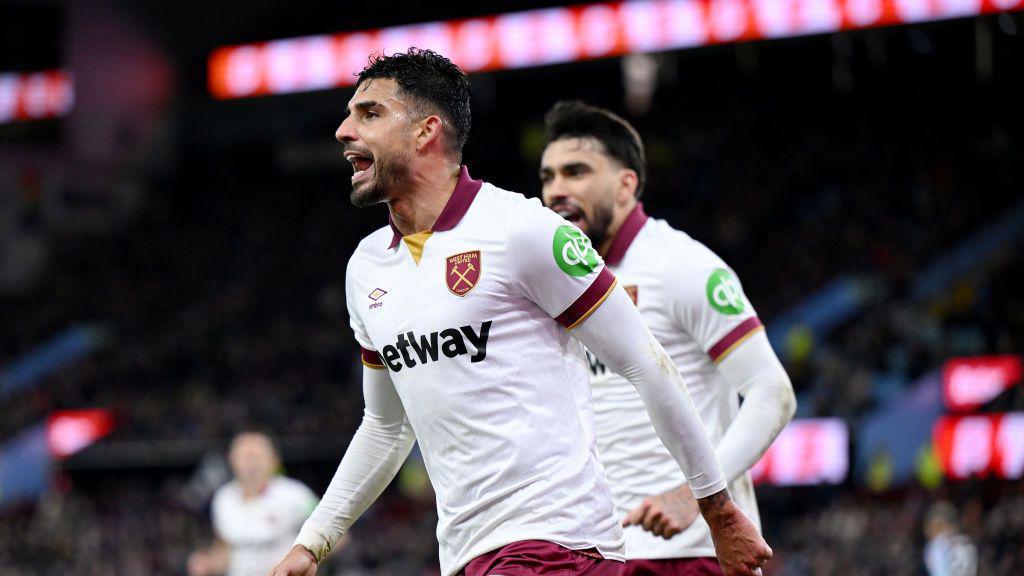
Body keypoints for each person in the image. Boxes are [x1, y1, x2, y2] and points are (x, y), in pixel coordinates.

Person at [270, 48, 770, 576]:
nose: (344, 130)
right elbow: (386, 425)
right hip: (467, 553)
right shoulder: (367, 268)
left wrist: (716, 508)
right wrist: (312, 542)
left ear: (425, 132)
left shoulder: (524, 230)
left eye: (369, 113)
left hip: (557, 543)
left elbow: (646, 364)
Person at [539, 100, 796, 576]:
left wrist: (696, 496)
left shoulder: (681, 265)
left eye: (576, 172)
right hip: (598, 550)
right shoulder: (555, 283)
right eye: (549, 176)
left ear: (625, 185)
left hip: (692, 552)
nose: (557, 190)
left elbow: (772, 392)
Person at [189, 431, 318, 576]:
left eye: (256, 456)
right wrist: (209, 564)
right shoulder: (223, 498)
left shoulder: (297, 495)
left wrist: (308, 559)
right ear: (232, 460)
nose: (250, 463)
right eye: (244, 456)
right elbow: (226, 551)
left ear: (274, 460)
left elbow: (334, 536)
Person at [923, 502, 978, 576]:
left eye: (932, 525)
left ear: (940, 524)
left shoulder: (962, 545)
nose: (927, 530)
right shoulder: (933, 546)